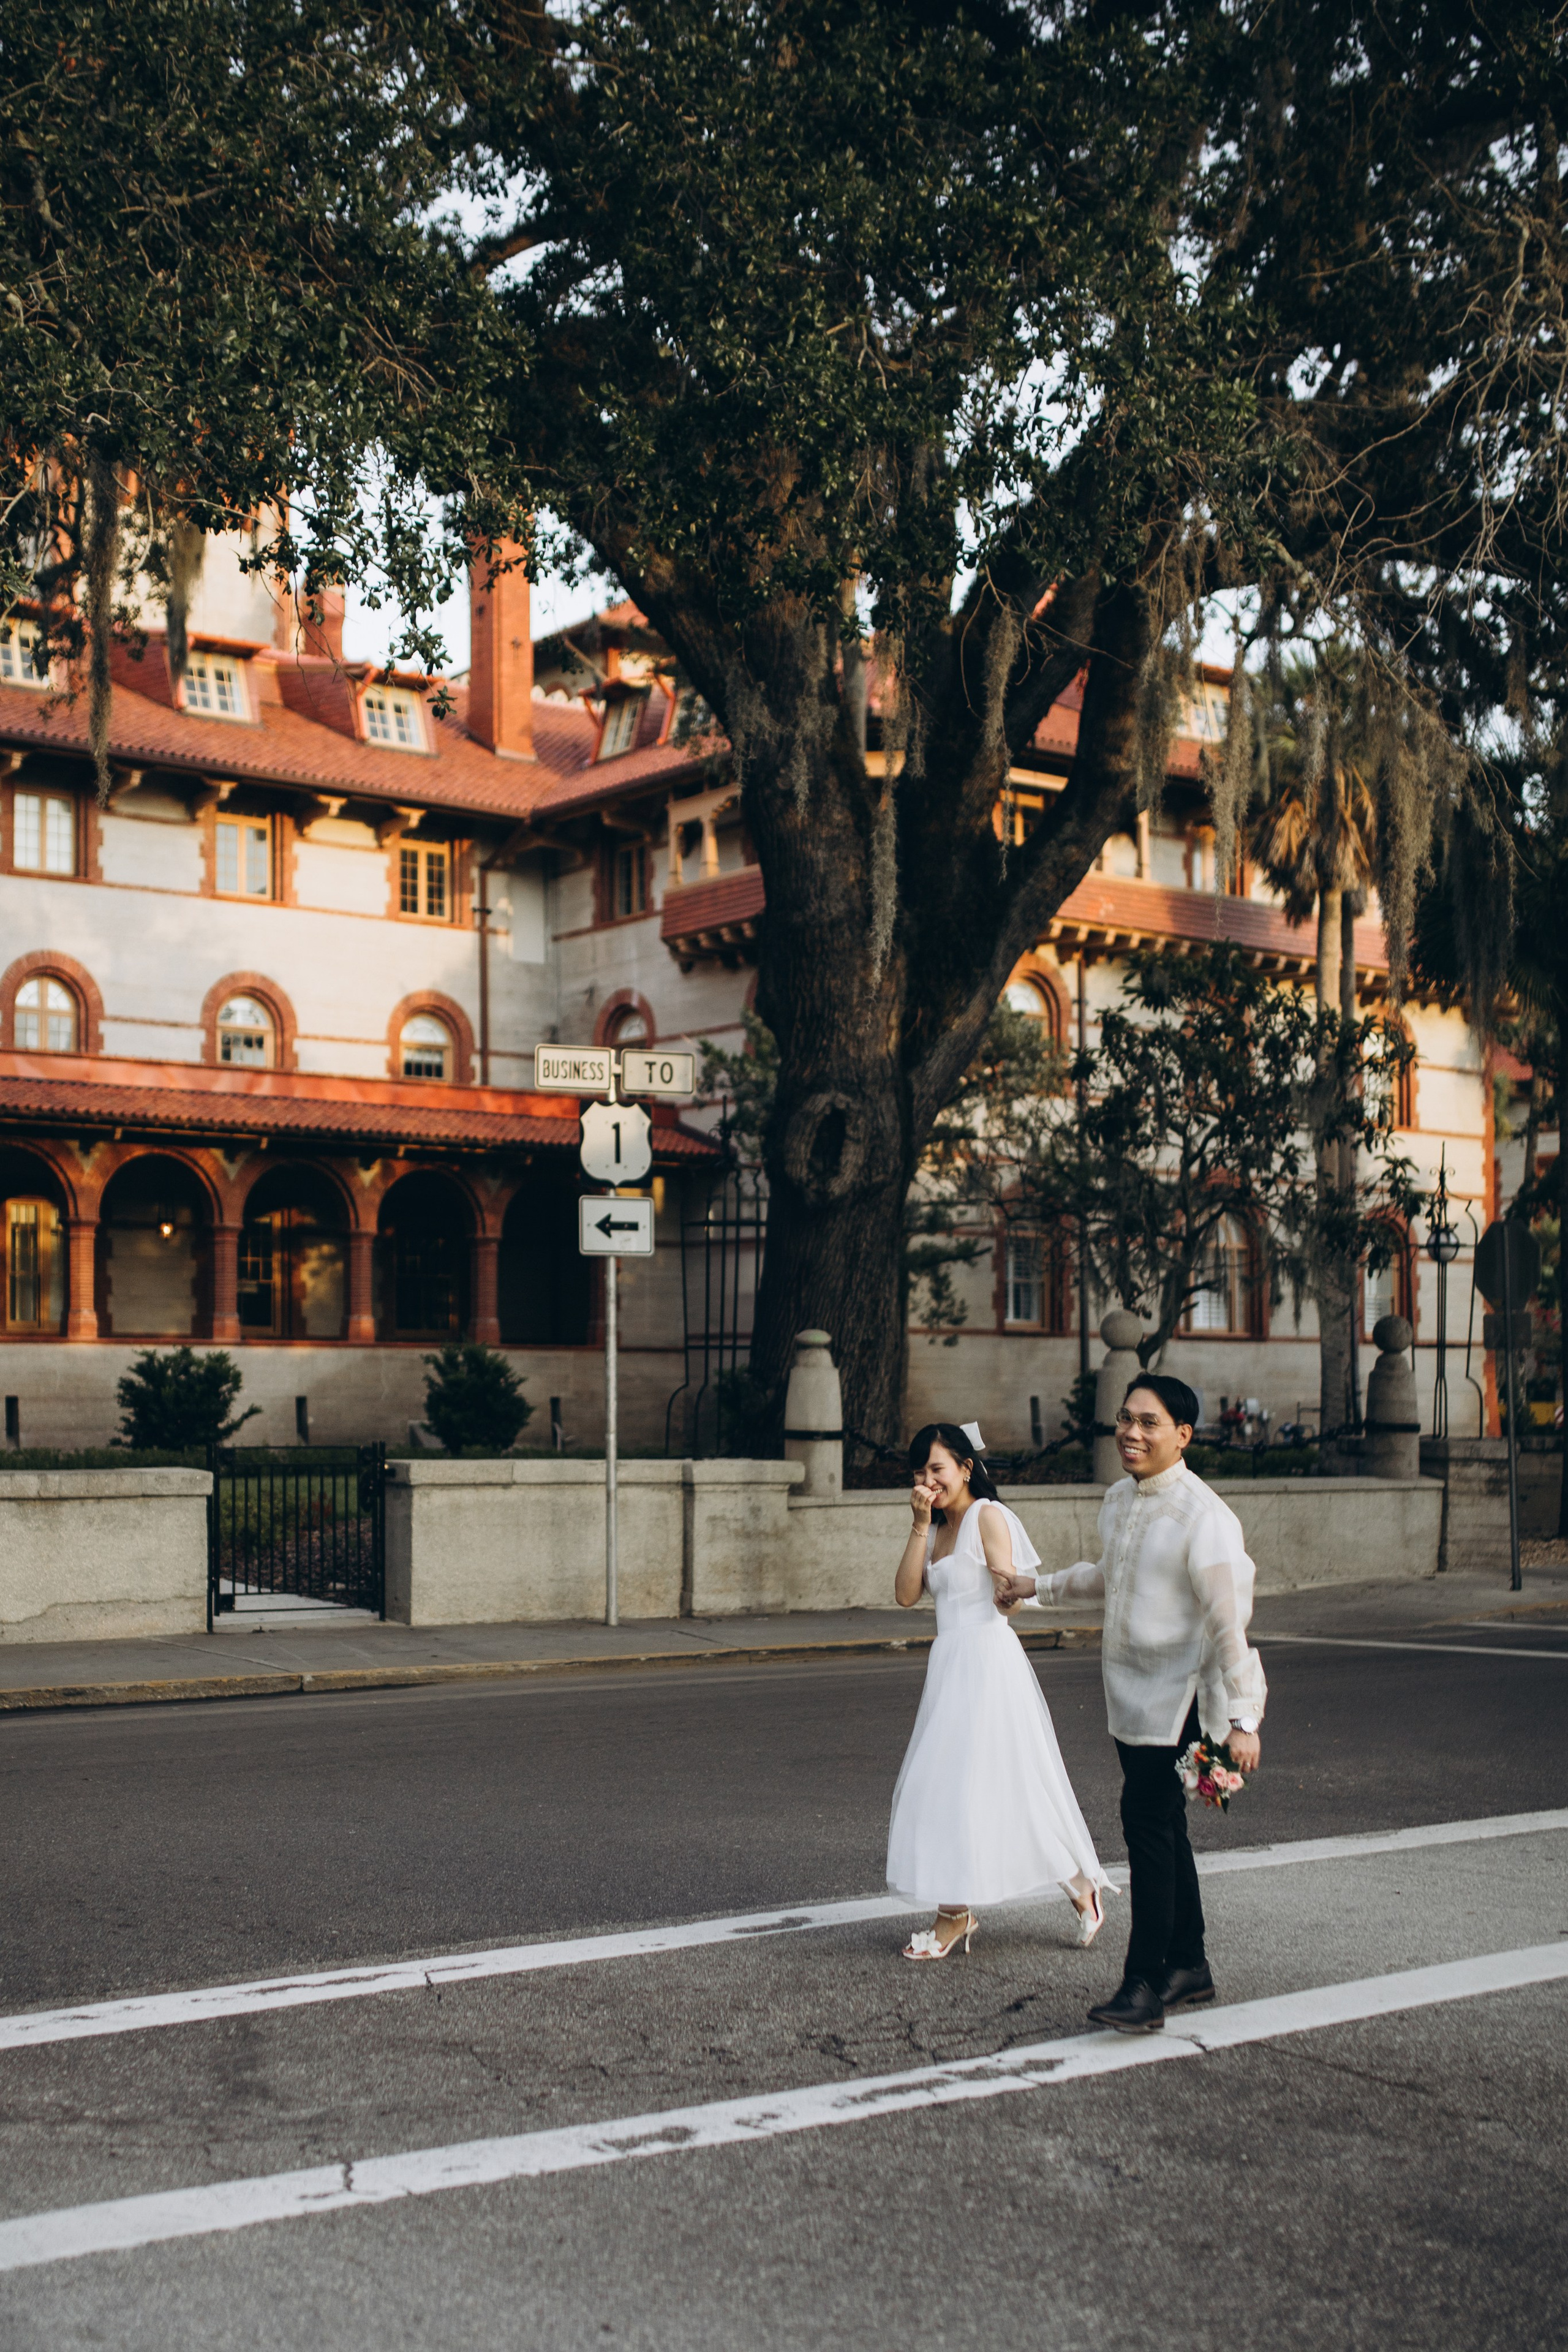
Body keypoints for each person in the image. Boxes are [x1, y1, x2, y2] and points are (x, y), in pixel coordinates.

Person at [997, 1374, 1267, 2032]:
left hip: (1178, 1697)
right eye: (1125, 1418)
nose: (1131, 1432)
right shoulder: (1120, 1499)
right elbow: (1108, 1575)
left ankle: (1144, 1983)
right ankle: (1190, 1965)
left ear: (1183, 1435)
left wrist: (1243, 1719)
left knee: (1145, 1821)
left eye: (1149, 1423)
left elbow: (1229, 1624)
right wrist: (1035, 1587)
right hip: (1127, 1690)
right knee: (1164, 1825)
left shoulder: (1205, 1518)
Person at [886, 1420, 1112, 1961]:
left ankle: (956, 1915)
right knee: (964, 1789)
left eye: (937, 1469)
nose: (927, 1481)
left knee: (972, 1787)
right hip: (950, 1666)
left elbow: (1009, 1598)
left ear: (966, 1468)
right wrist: (919, 1525)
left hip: (987, 1664)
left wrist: (1006, 1589)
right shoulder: (935, 1528)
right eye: (919, 1473)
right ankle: (1071, 1883)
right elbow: (906, 1595)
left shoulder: (988, 1516)